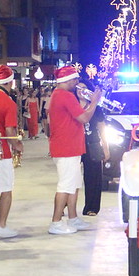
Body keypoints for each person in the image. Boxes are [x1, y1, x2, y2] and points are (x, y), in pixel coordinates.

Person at [48, 66, 101, 234]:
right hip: (67, 148)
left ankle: (73, 218)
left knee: (74, 184)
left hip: (69, 147)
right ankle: (56, 222)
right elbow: (84, 118)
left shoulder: (59, 95)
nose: (77, 84)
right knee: (65, 186)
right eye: (75, 80)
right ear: (69, 80)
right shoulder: (65, 96)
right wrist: (94, 102)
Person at [0, 65, 23, 239]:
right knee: (6, 189)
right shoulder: (8, 102)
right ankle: (2, 226)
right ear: (9, 82)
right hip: (1, 152)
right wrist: (18, 145)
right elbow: (9, 131)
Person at [76, 80, 108, 216]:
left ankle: (91, 207)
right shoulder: (72, 105)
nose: (81, 91)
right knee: (71, 177)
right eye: (78, 88)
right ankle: (65, 205)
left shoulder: (97, 108)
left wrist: (106, 148)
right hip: (75, 144)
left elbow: (102, 129)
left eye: (84, 88)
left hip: (93, 144)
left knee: (93, 177)